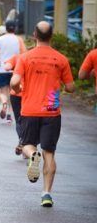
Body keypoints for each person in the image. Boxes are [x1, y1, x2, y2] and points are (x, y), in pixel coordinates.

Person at [11, 21, 74, 207]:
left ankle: (32, 156)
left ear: (34, 35)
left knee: (27, 145)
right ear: (52, 36)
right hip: (52, 112)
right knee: (49, 153)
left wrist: (18, 87)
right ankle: (46, 194)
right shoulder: (61, 59)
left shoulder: (25, 57)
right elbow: (70, 87)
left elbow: (14, 81)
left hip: (30, 109)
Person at [0, 20, 26, 124]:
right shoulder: (18, 39)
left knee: (4, 91)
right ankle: (9, 115)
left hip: (2, 68)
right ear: (15, 28)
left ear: (6, 28)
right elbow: (24, 53)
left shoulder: (0, 39)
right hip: (15, 69)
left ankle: (4, 103)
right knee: (12, 92)